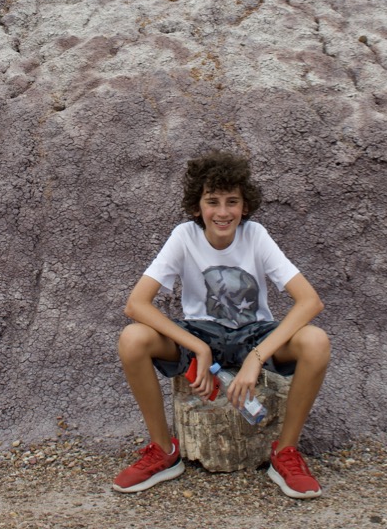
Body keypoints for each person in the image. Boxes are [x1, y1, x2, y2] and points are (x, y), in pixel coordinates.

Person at [112, 151, 330, 498]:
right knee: (132, 338)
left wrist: (256, 357)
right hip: (201, 331)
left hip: (255, 334)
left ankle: (285, 452)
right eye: (212, 201)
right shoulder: (185, 236)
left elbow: (310, 301)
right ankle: (164, 450)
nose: (223, 211)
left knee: (316, 341)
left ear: (245, 207)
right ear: (197, 207)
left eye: (233, 201)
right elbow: (136, 304)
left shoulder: (255, 235)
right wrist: (197, 346)